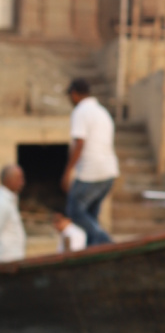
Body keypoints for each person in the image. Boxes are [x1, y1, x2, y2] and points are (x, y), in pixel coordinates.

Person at [62, 78, 118, 247]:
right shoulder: (102, 111)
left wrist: (67, 172)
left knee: (74, 212)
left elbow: (79, 142)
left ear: (74, 94)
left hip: (92, 172)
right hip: (109, 172)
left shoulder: (81, 111)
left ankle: (106, 243)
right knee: (90, 216)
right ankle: (95, 250)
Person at [0, 163, 26, 262]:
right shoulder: (2, 202)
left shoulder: (10, 200)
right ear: (8, 179)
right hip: (5, 264)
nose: (22, 183)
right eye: (19, 179)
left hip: (13, 263)